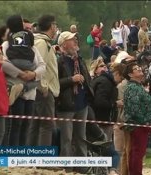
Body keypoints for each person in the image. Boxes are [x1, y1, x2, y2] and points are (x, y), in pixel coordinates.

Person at [56, 31, 94, 173]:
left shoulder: (80, 59)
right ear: (64, 44)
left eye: (75, 38)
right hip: (66, 106)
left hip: (81, 104)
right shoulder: (59, 61)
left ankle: (82, 169)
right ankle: (67, 169)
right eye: (72, 39)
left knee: (81, 138)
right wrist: (71, 80)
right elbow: (55, 83)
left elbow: (87, 78)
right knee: (66, 139)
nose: (76, 41)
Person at [26, 14, 60, 146]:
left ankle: (32, 157)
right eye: (55, 25)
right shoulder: (42, 43)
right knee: (47, 125)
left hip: (39, 89)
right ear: (52, 26)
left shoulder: (42, 42)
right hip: (44, 90)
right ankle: (43, 158)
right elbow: (37, 66)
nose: (56, 28)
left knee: (35, 124)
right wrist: (43, 87)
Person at [123, 62, 151, 175]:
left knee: (138, 152)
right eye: (136, 69)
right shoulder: (132, 88)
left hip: (142, 125)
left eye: (139, 67)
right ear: (130, 74)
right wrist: (144, 121)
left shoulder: (138, 86)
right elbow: (134, 108)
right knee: (137, 152)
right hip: (138, 125)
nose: (139, 69)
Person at [5, 15, 40, 106]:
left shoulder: (10, 34)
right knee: (37, 78)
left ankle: (13, 86)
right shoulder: (28, 33)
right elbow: (32, 44)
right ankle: (23, 88)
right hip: (27, 62)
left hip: (13, 60)